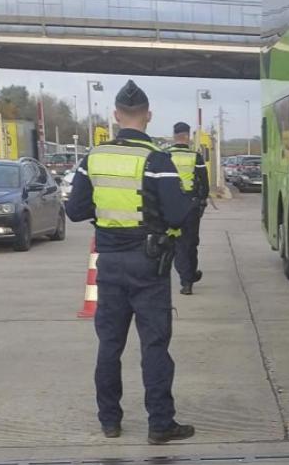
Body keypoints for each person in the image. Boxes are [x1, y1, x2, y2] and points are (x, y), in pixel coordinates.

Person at [65, 80, 197, 445]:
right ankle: (160, 424)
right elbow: (177, 214)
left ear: (116, 116)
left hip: (108, 262)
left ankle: (110, 420)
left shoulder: (93, 157)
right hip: (149, 263)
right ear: (148, 116)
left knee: (110, 344)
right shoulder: (157, 159)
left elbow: (75, 210)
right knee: (154, 345)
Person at [167, 122, 210, 295]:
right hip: (190, 206)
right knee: (190, 243)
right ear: (187, 136)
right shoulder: (195, 157)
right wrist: (202, 201)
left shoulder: (165, 155)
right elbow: (204, 184)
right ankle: (188, 278)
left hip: (171, 206)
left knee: (177, 244)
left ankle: (187, 278)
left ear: (174, 135)